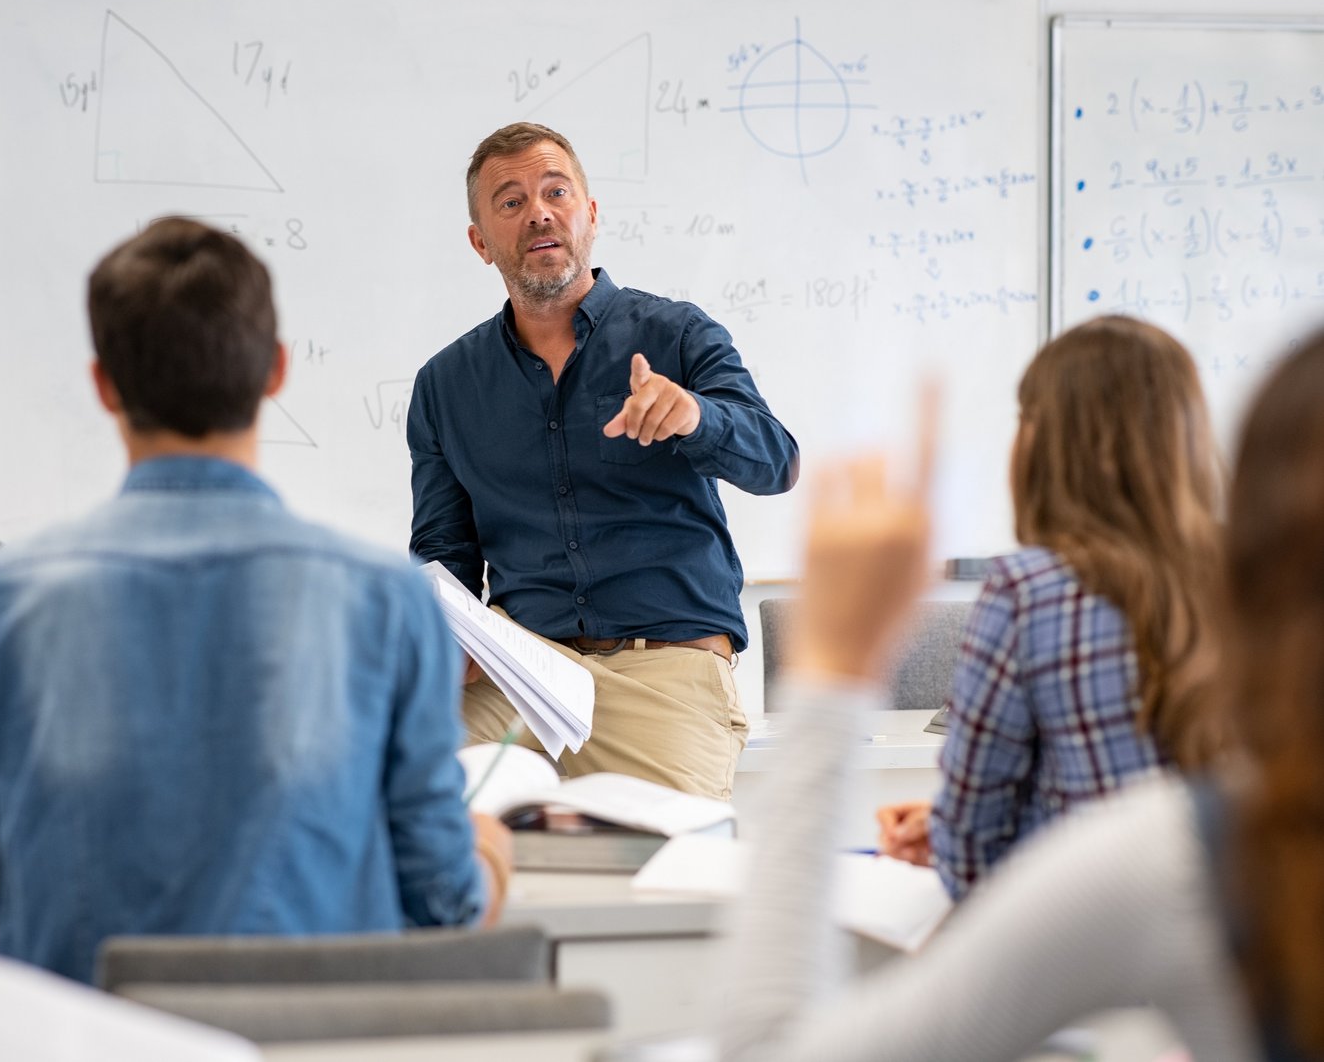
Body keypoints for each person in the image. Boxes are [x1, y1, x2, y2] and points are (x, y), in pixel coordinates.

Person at [0, 218, 511, 984]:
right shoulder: (390, 602)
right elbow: (441, 902)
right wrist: (490, 856)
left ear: (105, 385)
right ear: (275, 371)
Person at [714, 336, 1324, 1059]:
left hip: (1078, 1003)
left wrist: (834, 668)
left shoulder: (1028, 595)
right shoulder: (1216, 599)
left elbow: (975, 856)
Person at [407, 122, 798, 800]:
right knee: (405, 802)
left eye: (556, 191)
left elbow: (776, 461)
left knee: (665, 878)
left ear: (590, 215)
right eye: (510, 201)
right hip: (521, 670)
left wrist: (696, 418)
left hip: (666, 671)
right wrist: (446, 638)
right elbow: (444, 555)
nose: (538, 212)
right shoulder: (445, 385)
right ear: (480, 242)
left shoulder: (677, 335)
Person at [876, 315, 1223, 899]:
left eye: (1023, 417)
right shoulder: (1261, 581)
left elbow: (973, 853)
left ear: (1046, 441)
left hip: (1091, 949)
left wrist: (952, 830)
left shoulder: (1029, 590)